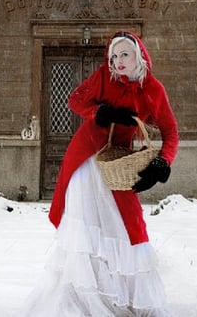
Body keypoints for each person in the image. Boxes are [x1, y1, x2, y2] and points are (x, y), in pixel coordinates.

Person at [19, 30, 179, 316]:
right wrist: (99, 113)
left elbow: (170, 131)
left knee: (127, 225)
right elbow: (75, 99)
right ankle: (81, 296)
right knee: (87, 224)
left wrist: (162, 163)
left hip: (117, 162)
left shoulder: (154, 89)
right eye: (114, 55)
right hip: (85, 158)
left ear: (138, 56)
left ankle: (124, 296)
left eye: (124, 54)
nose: (117, 61)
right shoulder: (105, 77)